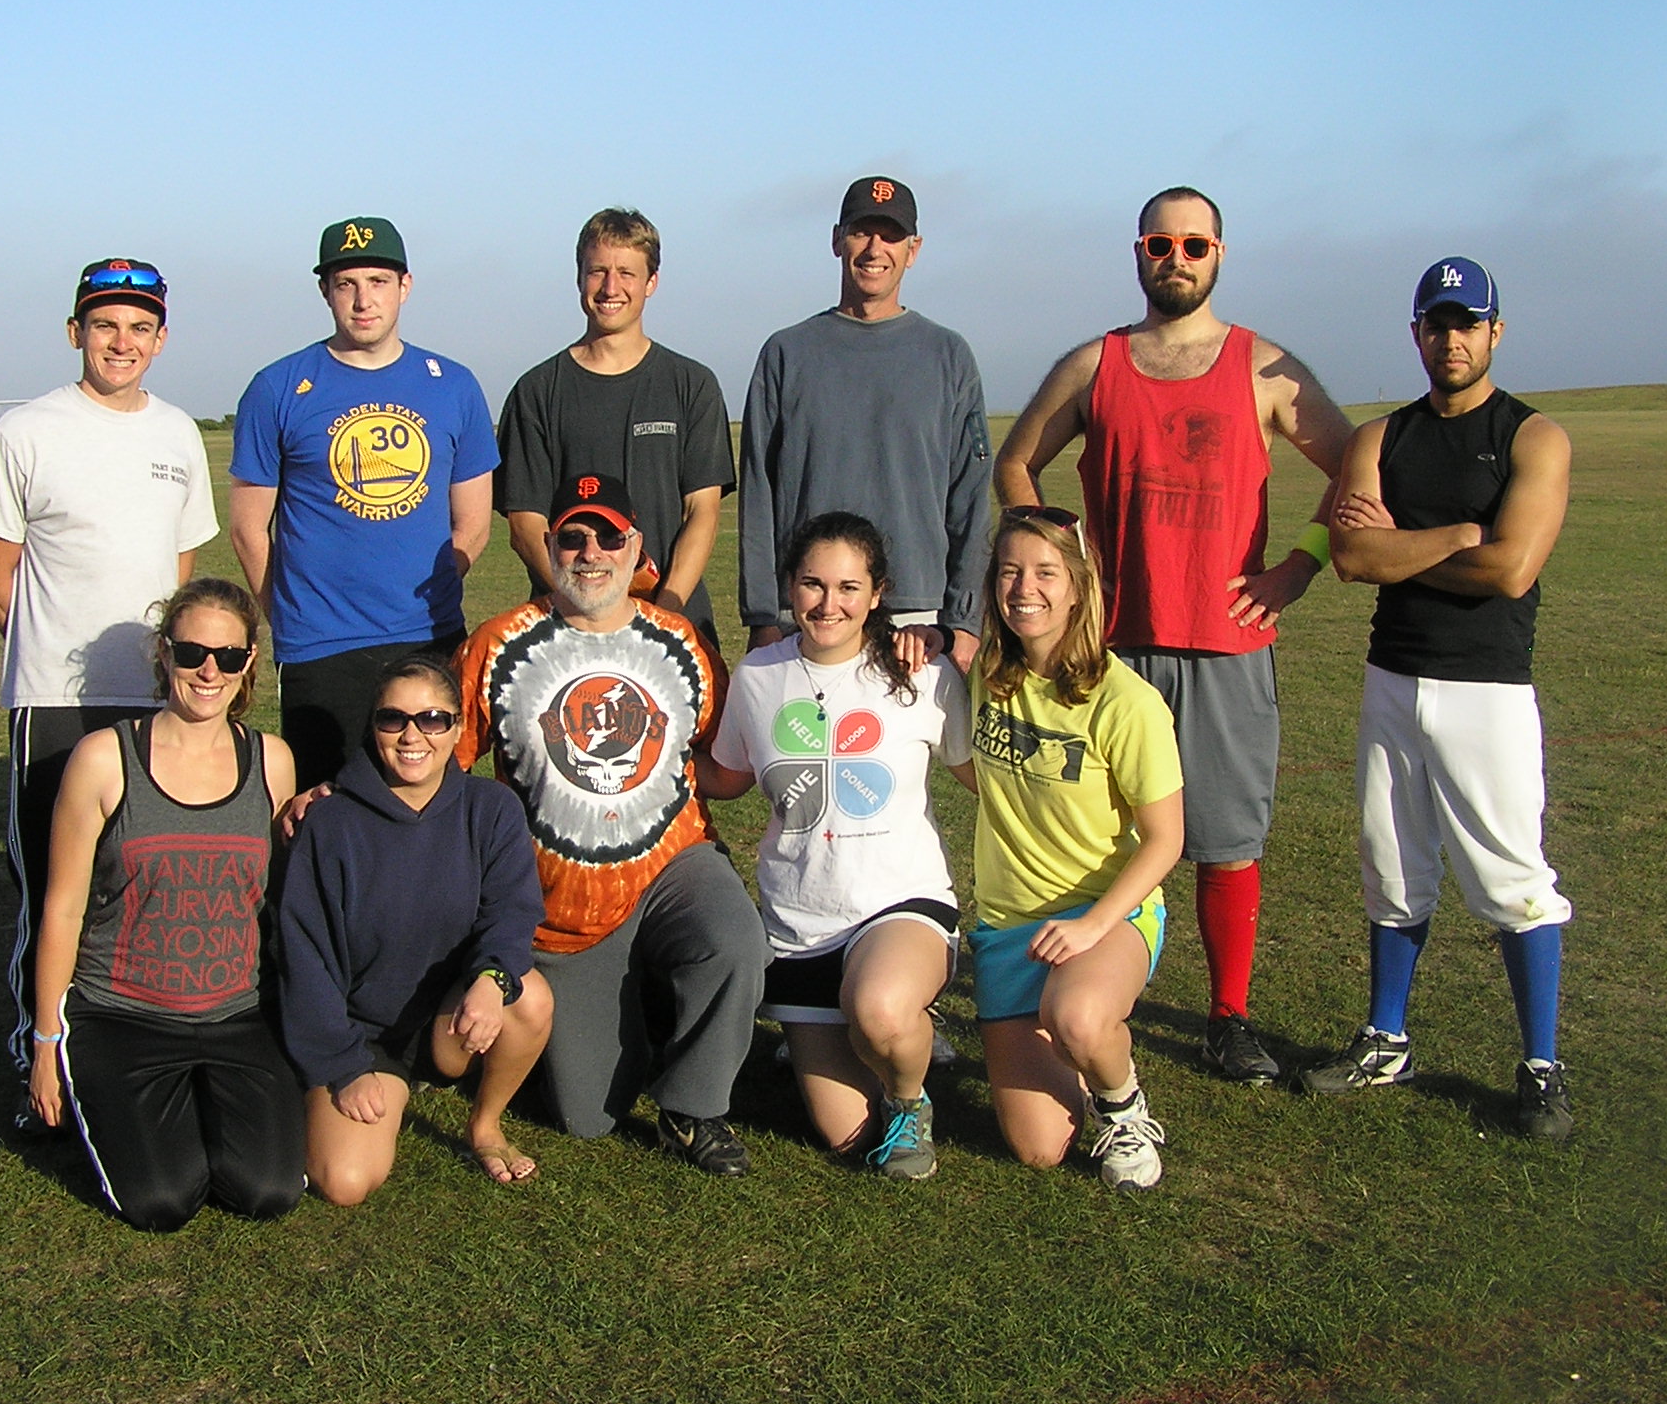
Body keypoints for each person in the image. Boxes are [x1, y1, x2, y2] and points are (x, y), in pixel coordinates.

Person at [996, 188, 1354, 1085]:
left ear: (1220, 253)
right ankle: (1083, 996)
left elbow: (1359, 467)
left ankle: (1227, 1017)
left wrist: (1297, 569)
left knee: (1226, 839)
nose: (1177, 256)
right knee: (1104, 834)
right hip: (1112, 650)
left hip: (1226, 644)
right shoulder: (1095, 364)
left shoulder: (1266, 369)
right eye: (1161, 242)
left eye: (1194, 243)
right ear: (1139, 253)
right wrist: (1053, 560)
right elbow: (1015, 460)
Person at [1310, 257, 1577, 1140]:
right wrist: (1461, 532)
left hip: (1488, 688)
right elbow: (1353, 559)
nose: (1451, 339)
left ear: (1496, 332)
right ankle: (1387, 1037)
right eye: (1437, 323)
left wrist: (1414, 544)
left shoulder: (1534, 437)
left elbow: (1511, 569)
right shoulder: (1381, 439)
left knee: (1512, 877)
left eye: (1469, 324)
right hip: (1394, 675)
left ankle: (1541, 1067)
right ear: (1416, 332)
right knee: (1391, 866)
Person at [0, 257, 217, 1124]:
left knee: (137, 880)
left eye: (140, 327)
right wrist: (51, 659)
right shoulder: (26, 431)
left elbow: (178, 570)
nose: (123, 342)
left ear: (161, 339)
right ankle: (36, 1061)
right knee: (50, 879)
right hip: (57, 705)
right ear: (76, 331)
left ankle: (122, 1044)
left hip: (159, 702)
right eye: (106, 325)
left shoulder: (179, 434)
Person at [457, 473, 769, 1174]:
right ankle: (640, 1008)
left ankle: (694, 1109)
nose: (590, 552)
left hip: (671, 861)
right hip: (559, 903)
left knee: (734, 939)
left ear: (637, 548)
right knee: (586, 1116)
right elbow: (442, 761)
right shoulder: (499, 644)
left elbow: (722, 767)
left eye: (609, 536)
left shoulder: (680, 641)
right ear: (548, 546)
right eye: (573, 536)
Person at [24, 579, 305, 1231]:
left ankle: (202, 1100)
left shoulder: (272, 761)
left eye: (229, 657)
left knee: (267, 1191)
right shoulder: (104, 760)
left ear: (250, 665)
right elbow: (63, 908)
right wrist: (44, 1045)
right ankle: (118, 1096)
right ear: (164, 653)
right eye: (192, 653)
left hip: (236, 1014)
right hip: (123, 1015)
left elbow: (274, 901)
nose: (210, 671)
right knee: (161, 1202)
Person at [700, 512, 972, 1179]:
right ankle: (892, 1036)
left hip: (899, 904)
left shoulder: (922, 672)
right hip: (798, 927)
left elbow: (984, 776)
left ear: (878, 593)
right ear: (789, 588)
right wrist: (651, 754)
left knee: (878, 1007)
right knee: (847, 1136)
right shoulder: (759, 675)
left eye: (850, 588)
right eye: (813, 584)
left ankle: (910, 1095)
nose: (830, 604)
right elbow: (729, 777)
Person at [230, 216, 498, 789]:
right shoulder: (277, 387)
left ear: (405, 286)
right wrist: (289, 616)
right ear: (325, 290)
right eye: (346, 283)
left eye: (377, 281)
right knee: (323, 809)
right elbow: (250, 529)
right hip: (320, 648)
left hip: (429, 636)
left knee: (428, 807)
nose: (362, 300)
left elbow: (474, 521)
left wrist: (442, 580)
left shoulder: (452, 385)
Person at [278, 653, 556, 1199]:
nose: (413, 735)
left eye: (432, 719)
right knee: (345, 1182)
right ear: (373, 726)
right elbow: (302, 953)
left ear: (456, 730)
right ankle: (356, 1090)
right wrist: (342, 1063)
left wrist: (491, 979)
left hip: (447, 1019)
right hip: (364, 1034)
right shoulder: (329, 821)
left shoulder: (491, 807)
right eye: (394, 719)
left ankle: (485, 1124)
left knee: (529, 997)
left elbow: (513, 909)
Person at [966, 508, 1186, 1190]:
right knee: (1037, 1150)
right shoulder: (987, 676)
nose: (1024, 588)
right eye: (1009, 571)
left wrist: (1094, 925)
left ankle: (1123, 1107)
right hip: (1007, 929)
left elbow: (1167, 839)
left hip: (1103, 915)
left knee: (1080, 1018)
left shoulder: (1127, 702)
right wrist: (926, 635)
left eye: (1045, 573)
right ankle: (1070, 1054)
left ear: (1078, 587)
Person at [738, 176, 992, 668]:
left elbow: (971, 497)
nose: (875, 249)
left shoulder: (948, 356)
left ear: (913, 249)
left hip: (916, 620)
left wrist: (962, 623)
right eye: (861, 232)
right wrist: (763, 615)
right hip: (810, 611)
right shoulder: (786, 353)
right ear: (837, 239)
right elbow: (758, 493)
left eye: (891, 235)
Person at [495, 207, 737, 644]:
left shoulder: (692, 385)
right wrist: (589, 607)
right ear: (578, 278)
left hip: (674, 627)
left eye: (627, 272)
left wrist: (666, 613)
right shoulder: (536, 392)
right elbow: (525, 524)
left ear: (651, 282)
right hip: (566, 630)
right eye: (597, 271)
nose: (611, 287)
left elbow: (702, 511)